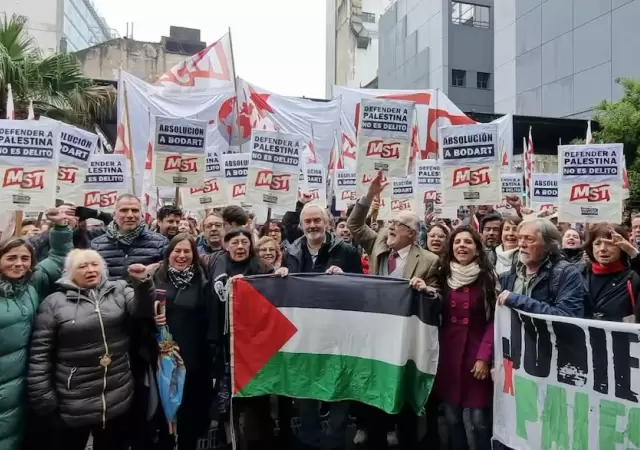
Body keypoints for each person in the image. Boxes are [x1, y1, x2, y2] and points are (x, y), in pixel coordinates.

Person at [346, 170, 439, 449]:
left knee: (400, 377)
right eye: (389, 223)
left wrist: (425, 287)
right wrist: (371, 194)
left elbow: (437, 294)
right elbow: (353, 224)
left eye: (396, 224)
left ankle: (398, 428)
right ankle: (371, 425)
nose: (390, 228)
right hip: (376, 327)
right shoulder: (377, 244)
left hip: (406, 331)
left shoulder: (430, 260)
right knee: (373, 376)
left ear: (411, 232)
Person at [27, 250, 153, 450]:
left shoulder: (119, 289)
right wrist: (43, 398)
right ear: (69, 272)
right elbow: (39, 355)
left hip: (116, 394)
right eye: (82, 266)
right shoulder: (55, 302)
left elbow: (142, 310)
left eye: (95, 264)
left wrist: (143, 283)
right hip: (74, 400)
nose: (91, 270)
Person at [281, 203, 363, 450]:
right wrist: (280, 274)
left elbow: (362, 290)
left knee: (339, 388)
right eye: (308, 221)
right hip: (304, 336)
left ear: (327, 223)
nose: (313, 225)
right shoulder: (291, 252)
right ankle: (310, 439)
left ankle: (336, 440)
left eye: (317, 220)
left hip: (337, 335)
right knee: (305, 391)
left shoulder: (346, 251)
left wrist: (346, 279)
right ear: (301, 225)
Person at [0, 208, 73, 450]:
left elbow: (59, 259)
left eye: (24, 258)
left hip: (21, 384)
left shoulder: (31, 285)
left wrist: (61, 228)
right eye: (11, 258)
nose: (18, 264)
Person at [207, 228, 280, 450]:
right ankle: (231, 440)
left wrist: (281, 275)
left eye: (245, 243)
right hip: (225, 344)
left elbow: (275, 296)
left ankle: (259, 440)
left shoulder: (262, 268)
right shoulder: (215, 265)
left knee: (256, 399)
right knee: (228, 398)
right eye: (235, 242)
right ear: (226, 245)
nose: (240, 247)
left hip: (254, 345)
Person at [435, 226, 496, 450]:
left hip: (476, 354)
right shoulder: (442, 276)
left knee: (480, 420)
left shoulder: (488, 279)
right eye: (457, 242)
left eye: (468, 242)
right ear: (451, 248)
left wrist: (484, 357)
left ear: (477, 249)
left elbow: (494, 320)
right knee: (452, 418)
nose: (462, 246)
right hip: (448, 355)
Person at [151, 234, 213, 449]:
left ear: (194, 255)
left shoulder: (203, 279)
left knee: (190, 410)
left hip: (193, 356)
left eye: (187, 251)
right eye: (177, 251)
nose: (181, 255)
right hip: (162, 356)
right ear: (169, 254)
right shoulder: (155, 277)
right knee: (163, 410)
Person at [497, 218, 585, 317]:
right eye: (520, 238)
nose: (522, 244)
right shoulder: (509, 276)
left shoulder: (567, 274)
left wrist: (518, 301)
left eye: (529, 239)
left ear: (548, 245)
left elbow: (567, 317)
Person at [90, 194, 168, 280]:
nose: (130, 215)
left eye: (135, 210)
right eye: (124, 210)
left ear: (141, 215)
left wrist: (151, 273)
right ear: (114, 215)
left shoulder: (161, 243)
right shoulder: (96, 245)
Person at [583, 224, 640, 322]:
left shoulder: (633, 278)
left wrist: (632, 251)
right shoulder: (579, 275)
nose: (603, 249)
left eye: (611, 244)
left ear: (622, 247)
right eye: (597, 243)